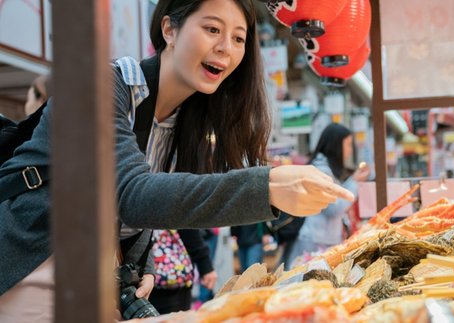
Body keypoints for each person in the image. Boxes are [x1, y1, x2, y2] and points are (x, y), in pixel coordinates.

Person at [0, 0, 353, 321]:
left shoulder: (183, 121)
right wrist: (267, 186)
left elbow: (131, 201)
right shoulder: (103, 86)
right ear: (169, 30)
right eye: (212, 29)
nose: (224, 48)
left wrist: (141, 257)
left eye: (238, 38)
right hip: (29, 270)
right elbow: (133, 194)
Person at [287, 124, 370, 269]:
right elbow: (333, 207)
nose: (350, 150)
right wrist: (354, 182)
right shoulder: (322, 170)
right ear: (337, 145)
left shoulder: (325, 169)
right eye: (348, 145)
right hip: (315, 241)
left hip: (321, 238)